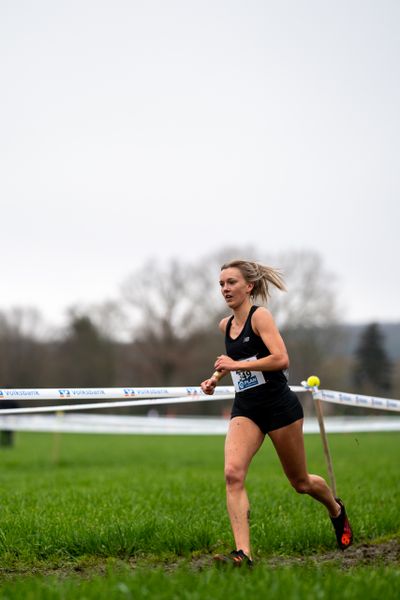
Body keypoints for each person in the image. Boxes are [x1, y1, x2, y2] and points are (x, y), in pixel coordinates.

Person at [200, 259, 353, 567]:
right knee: (232, 473)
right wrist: (214, 379)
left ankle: (336, 510)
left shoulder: (261, 317)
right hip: (246, 408)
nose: (225, 289)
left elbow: (281, 359)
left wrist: (235, 366)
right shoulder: (225, 326)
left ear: (249, 286)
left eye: (231, 283)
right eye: (221, 284)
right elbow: (234, 361)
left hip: (279, 407)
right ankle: (243, 554)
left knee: (300, 483)